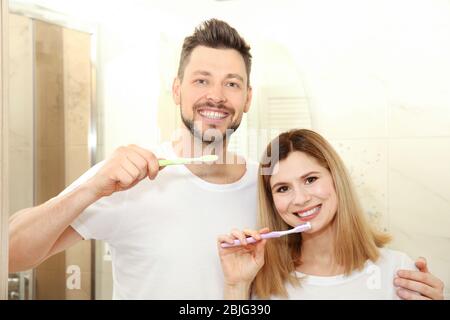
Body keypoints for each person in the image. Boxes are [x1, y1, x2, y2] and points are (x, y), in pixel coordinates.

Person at [9, 19, 443, 300]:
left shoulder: (271, 190)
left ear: (248, 98)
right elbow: (12, 254)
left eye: (232, 84)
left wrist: (406, 284)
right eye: (202, 80)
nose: (216, 96)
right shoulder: (126, 180)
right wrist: (92, 187)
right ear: (177, 90)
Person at [218, 129, 445, 300]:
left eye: (310, 179)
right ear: (272, 201)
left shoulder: (398, 272)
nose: (300, 198)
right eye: (283, 188)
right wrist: (236, 287)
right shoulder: (263, 285)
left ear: (336, 179)